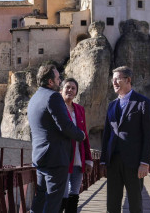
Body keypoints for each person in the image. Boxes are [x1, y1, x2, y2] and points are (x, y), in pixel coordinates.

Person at [29, 65, 86, 213]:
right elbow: (65, 126)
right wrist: (81, 135)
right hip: (55, 159)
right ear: (50, 82)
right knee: (54, 203)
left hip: (40, 157)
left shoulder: (34, 98)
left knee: (40, 199)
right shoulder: (53, 96)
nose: (60, 80)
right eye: (58, 78)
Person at [100, 66, 150, 213]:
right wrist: (104, 160)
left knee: (135, 204)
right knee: (112, 204)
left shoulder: (143, 103)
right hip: (113, 162)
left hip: (135, 163)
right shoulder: (111, 106)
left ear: (128, 80)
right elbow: (107, 134)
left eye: (118, 79)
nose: (114, 82)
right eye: (113, 80)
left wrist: (145, 162)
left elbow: (149, 135)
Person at [59, 78, 93, 213]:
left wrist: (89, 159)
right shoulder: (58, 107)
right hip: (64, 157)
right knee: (63, 194)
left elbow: (84, 135)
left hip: (79, 157)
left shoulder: (79, 109)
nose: (70, 90)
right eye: (67, 87)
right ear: (61, 89)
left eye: (73, 88)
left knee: (74, 193)